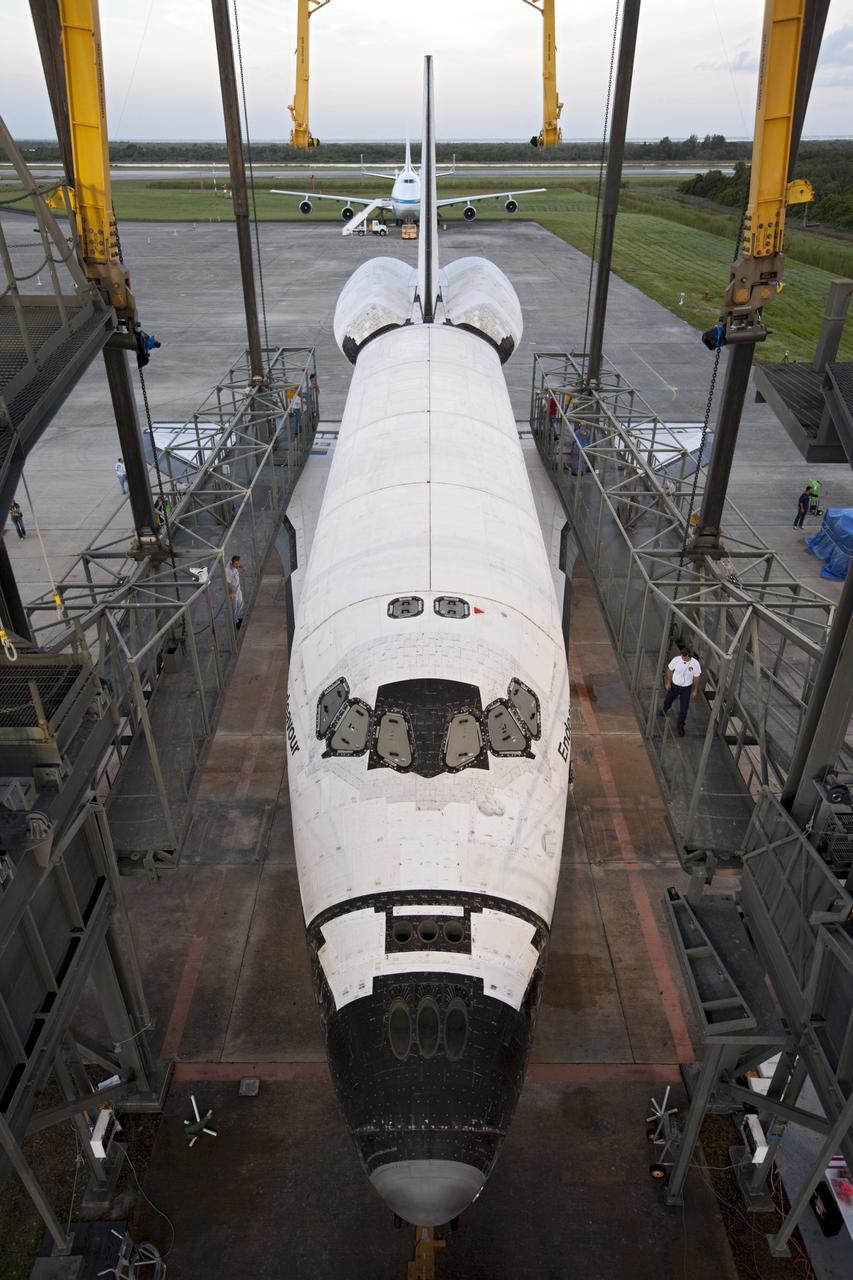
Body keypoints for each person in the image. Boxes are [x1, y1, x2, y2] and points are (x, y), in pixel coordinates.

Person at [660, 645, 702, 738]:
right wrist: (668, 682)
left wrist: (695, 690)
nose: (682, 658)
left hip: (686, 689)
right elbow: (669, 670)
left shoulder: (695, 664)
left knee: (684, 708)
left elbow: (696, 677)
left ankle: (680, 726)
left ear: (689, 656)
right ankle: (665, 708)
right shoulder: (676, 660)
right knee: (668, 700)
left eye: (684, 657)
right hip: (674, 686)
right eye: (682, 656)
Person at [225, 553, 244, 630]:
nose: (237, 565)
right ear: (232, 563)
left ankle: (239, 618)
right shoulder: (228, 571)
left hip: (238, 588)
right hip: (233, 591)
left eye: (238, 563)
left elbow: (238, 564)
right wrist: (231, 593)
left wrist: (241, 566)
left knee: (240, 604)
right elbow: (228, 583)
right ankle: (235, 622)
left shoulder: (233, 563)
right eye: (236, 564)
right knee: (235, 607)